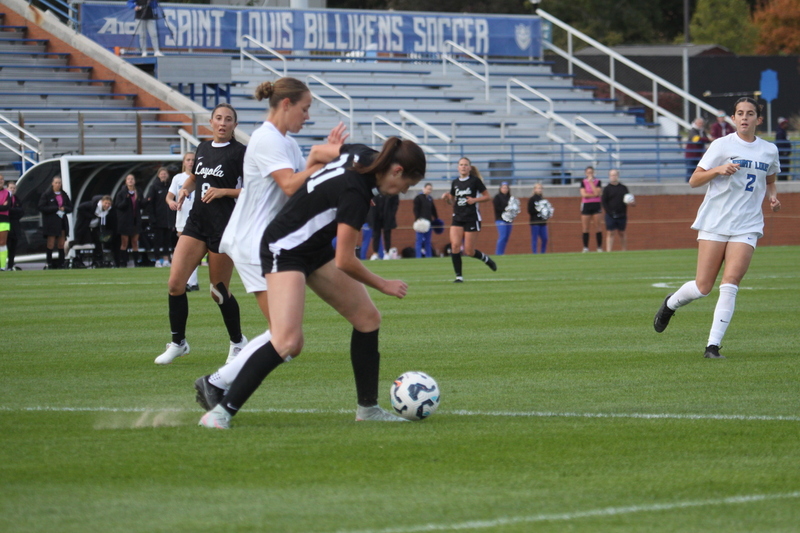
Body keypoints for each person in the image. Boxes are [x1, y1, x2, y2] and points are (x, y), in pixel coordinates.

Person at [197, 138, 426, 429]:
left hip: (313, 247)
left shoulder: (361, 153)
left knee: (367, 319)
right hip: (284, 248)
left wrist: (312, 192)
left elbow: (317, 151)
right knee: (287, 341)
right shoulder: (356, 193)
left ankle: (367, 409)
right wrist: (384, 284)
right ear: (396, 170)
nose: (405, 191)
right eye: (408, 183)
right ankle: (220, 413)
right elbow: (345, 260)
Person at [193, 78, 345, 384]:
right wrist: (324, 160)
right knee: (285, 338)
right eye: (305, 108)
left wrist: (320, 159)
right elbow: (290, 184)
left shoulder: (286, 142)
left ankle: (219, 384)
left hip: (270, 242)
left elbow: (304, 187)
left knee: (289, 339)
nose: (307, 115)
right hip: (252, 244)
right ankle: (217, 382)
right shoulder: (267, 139)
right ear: (286, 104)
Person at [654, 97, 781, 359]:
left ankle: (712, 346)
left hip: (747, 224)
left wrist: (772, 195)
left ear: (759, 119)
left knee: (730, 282)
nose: (744, 117)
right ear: (733, 119)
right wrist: (718, 169)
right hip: (716, 221)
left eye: (750, 113)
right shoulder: (721, 145)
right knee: (703, 287)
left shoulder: (769, 150)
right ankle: (670, 304)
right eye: (739, 113)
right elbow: (694, 180)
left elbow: (770, 176)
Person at [155, 103, 247, 365]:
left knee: (218, 291)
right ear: (211, 122)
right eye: (218, 118)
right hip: (196, 224)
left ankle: (238, 342)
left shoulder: (241, 153)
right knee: (175, 284)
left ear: (234, 125)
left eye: (228, 119)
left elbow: (254, 190)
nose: (222, 123)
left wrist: (223, 192)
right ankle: (178, 343)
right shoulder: (203, 148)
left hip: (224, 227)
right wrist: (185, 188)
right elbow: (196, 177)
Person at [441, 157, 497, 282]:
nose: (463, 167)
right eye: (461, 165)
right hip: (458, 217)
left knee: (469, 251)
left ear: (469, 167)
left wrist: (474, 200)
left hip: (472, 217)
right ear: (458, 167)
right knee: (455, 246)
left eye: (466, 165)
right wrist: (447, 198)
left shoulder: (475, 181)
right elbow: (452, 201)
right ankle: (459, 276)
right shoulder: (455, 182)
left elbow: (487, 197)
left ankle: (486, 259)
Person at [167, 152, 200, 291]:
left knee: (193, 251)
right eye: (188, 160)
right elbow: (169, 196)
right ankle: (190, 282)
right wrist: (170, 202)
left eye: (193, 160)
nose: (191, 162)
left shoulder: (201, 176)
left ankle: (192, 282)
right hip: (182, 216)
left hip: (197, 216)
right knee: (185, 250)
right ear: (184, 162)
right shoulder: (178, 178)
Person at [37, 176, 73, 269]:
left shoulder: (64, 194)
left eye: (59, 183)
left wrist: (64, 209)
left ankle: (61, 263)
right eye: (56, 182)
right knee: (51, 243)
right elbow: (41, 207)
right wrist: (55, 208)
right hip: (51, 222)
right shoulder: (47, 194)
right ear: (52, 183)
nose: (58, 184)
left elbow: (70, 207)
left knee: (61, 243)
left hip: (62, 221)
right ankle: (49, 263)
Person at [114, 173, 147, 267]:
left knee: (135, 242)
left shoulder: (138, 191)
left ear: (134, 181)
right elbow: (118, 206)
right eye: (128, 179)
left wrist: (146, 201)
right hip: (125, 222)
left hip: (136, 221)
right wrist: (126, 199)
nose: (130, 180)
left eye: (132, 179)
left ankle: (136, 263)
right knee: (124, 243)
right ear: (126, 181)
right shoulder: (121, 193)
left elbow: (141, 205)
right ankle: (123, 263)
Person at [147, 166, 175, 267]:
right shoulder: (154, 186)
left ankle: (167, 259)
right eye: (161, 174)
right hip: (158, 219)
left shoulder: (171, 187)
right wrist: (152, 218)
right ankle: (157, 260)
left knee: (168, 241)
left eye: (165, 173)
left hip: (169, 220)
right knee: (158, 241)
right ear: (158, 175)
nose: (163, 175)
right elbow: (150, 203)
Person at [75, 195, 114, 267]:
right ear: (102, 202)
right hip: (84, 227)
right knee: (83, 242)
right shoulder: (92, 205)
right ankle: (78, 259)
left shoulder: (108, 210)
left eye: (109, 204)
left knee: (98, 243)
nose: (107, 205)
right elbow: (80, 208)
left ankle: (98, 260)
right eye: (106, 203)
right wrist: (91, 216)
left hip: (95, 227)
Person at [601, 169, 634, 252]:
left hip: (622, 214)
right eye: (612, 175)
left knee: (622, 232)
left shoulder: (623, 188)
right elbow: (604, 202)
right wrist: (609, 212)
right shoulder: (607, 189)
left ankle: (624, 250)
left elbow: (629, 199)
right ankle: (609, 251)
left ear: (617, 176)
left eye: (615, 175)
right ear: (609, 176)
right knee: (610, 233)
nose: (613, 177)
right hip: (610, 214)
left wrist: (631, 203)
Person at [579, 166, 603, 252]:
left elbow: (598, 193)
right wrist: (593, 195)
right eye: (588, 173)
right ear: (585, 173)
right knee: (585, 227)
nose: (590, 174)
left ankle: (599, 247)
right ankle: (585, 247)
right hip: (586, 205)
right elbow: (584, 194)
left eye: (591, 172)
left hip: (596, 205)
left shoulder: (598, 181)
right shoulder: (583, 182)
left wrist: (591, 183)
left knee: (598, 226)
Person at [369, 193, 399, 259]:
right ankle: (375, 253)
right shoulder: (374, 191)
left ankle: (387, 253)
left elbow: (395, 203)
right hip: (376, 217)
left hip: (387, 216)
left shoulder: (391, 191)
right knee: (376, 235)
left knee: (387, 235)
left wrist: (392, 214)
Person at [492, 181, 519, 256]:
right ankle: (498, 253)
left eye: (506, 188)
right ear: (500, 188)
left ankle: (502, 252)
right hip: (500, 219)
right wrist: (507, 209)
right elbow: (497, 208)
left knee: (506, 237)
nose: (505, 189)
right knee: (502, 236)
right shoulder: (497, 197)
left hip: (509, 220)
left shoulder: (510, 198)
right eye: (503, 188)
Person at [413, 182, 438, 258]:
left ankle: (429, 256)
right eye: (428, 189)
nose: (429, 190)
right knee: (419, 240)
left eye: (430, 189)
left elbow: (433, 209)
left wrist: (436, 219)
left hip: (429, 222)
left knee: (428, 241)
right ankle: (418, 256)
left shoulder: (430, 198)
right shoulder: (418, 197)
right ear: (424, 188)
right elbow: (415, 209)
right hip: (421, 222)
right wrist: (417, 219)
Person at [527, 182, 552, 254]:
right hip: (535, 222)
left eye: (541, 188)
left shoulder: (543, 199)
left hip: (543, 222)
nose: (540, 190)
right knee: (535, 238)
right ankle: (534, 252)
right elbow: (530, 210)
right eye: (538, 188)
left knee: (545, 238)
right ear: (534, 189)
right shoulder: (532, 199)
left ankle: (543, 252)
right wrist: (539, 210)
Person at [5, 180, 23, 270]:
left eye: (14, 188)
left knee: (13, 247)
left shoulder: (17, 199)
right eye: (11, 188)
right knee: (5, 246)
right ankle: (3, 265)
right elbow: (6, 210)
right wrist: (14, 211)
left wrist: (12, 211)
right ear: (7, 188)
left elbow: (21, 211)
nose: (13, 189)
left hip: (15, 226)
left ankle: (11, 265)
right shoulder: (4, 198)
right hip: (6, 225)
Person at [685, 117, 710, 181]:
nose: (700, 124)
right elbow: (696, 139)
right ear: (695, 123)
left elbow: (706, 139)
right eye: (699, 123)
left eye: (701, 123)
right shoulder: (692, 131)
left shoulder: (702, 131)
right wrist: (707, 139)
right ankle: (688, 182)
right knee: (690, 170)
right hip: (691, 154)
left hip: (699, 154)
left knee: (698, 171)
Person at [0, 174, 10, 271]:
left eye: (2, 179)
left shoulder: (7, 193)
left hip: (3, 220)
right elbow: (3, 207)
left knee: (2, 242)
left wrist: (3, 206)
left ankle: (2, 266)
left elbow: (7, 207)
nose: (1, 181)